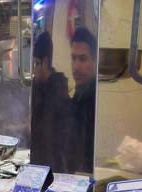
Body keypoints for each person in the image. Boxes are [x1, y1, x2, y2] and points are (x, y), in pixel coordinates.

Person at [30, 31, 70, 170]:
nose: (34, 70)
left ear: (46, 62)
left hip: (51, 165)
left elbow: (46, 132)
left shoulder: (56, 90)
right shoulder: (39, 85)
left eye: (36, 64)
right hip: (39, 158)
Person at [65, 27, 98, 174]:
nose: (76, 67)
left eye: (83, 59)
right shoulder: (78, 95)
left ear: (96, 60)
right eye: (73, 58)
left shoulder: (97, 99)